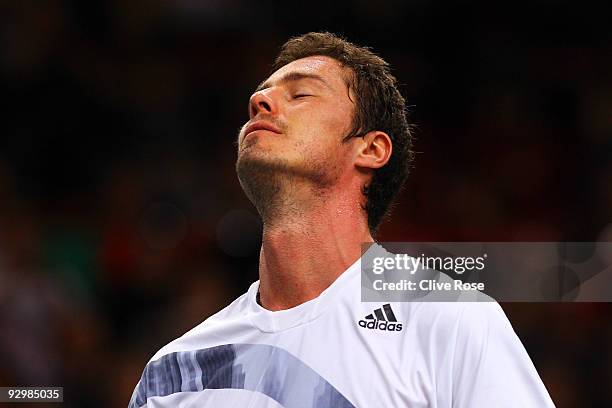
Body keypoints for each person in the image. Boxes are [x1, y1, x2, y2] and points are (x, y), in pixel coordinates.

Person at [129, 32, 555, 407]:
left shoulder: (449, 320)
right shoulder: (173, 372)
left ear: (370, 149)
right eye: (262, 95)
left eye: (300, 94)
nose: (259, 101)